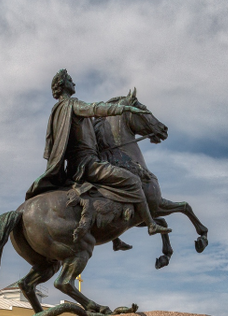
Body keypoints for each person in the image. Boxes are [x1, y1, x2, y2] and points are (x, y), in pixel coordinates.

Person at [27, 69, 170, 236]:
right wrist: (122, 109)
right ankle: (151, 224)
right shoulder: (71, 104)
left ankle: (115, 235)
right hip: (88, 164)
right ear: (63, 85)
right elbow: (95, 108)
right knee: (133, 180)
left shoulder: (56, 112)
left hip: (73, 167)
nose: (74, 83)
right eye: (70, 80)